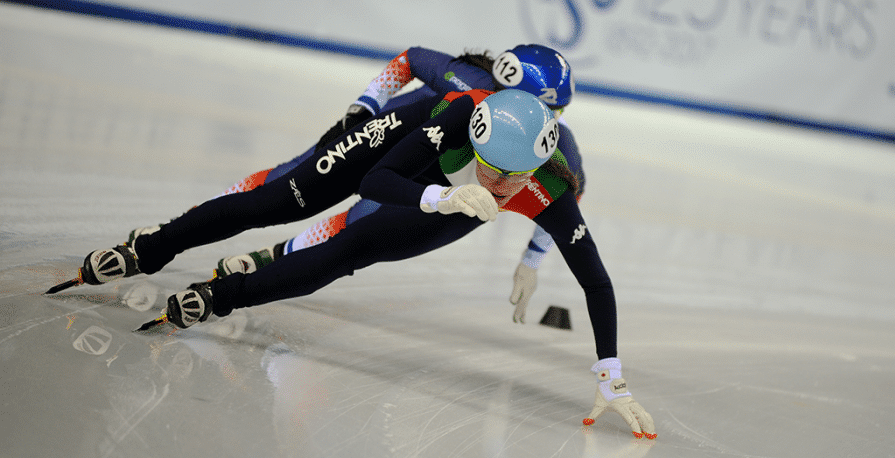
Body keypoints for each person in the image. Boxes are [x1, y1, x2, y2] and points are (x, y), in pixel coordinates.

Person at [158, 88, 657, 439]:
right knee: (311, 216)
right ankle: (199, 271)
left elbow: (596, 280)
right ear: (477, 142)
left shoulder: (548, 188)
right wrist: (440, 196)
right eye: (491, 167)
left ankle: (217, 298)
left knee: (350, 252)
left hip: (455, 206)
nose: (500, 184)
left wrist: (610, 373)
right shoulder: (462, 115)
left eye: (515, 176)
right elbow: (377, 179)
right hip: (425, 171)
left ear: (537, 165)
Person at [214, 45, 585, 324]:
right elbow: (410, 59)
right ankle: (189, 224)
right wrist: (366, 106)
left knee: (359, 224)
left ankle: (275, 256)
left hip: (416, 167)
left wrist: (532, 260)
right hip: (375, 139)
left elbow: (569, 193)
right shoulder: (472, 81)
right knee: (286, 178)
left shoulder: (555, 144)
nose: (534, 122)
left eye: (554, 114)